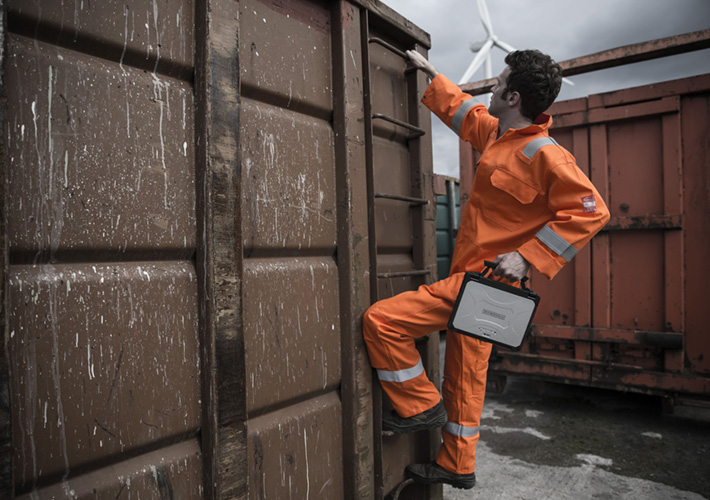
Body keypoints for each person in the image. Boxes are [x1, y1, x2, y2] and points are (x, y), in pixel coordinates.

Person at [362, 49, 610, 489]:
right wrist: (431, 73)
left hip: (489, 281)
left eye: (498, 83)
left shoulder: (546, 155)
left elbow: (591, 211)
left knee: (382, 322)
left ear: (513, 97)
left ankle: (418, 403)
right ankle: (457, 463)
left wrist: (527, 256)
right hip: (477, 281)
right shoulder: (498, 135)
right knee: (466, 373)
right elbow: (463, 110)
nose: (491, 87)